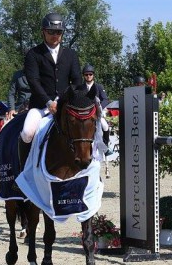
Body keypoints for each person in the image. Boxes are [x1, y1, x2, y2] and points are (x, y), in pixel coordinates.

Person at [20, 12, 83, 167]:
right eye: (51, 32)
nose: (55, 35)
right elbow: (34, 82)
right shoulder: (33, 54)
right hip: (41, 106)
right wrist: (48, 102)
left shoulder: (71, 54)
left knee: (85, 128)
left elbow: (76, 80)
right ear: (43, 32)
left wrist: (63, 100)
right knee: (27, 132)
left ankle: (88, 165)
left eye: (59, 32)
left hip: (65, 105)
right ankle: (23, 169)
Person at [82, 63, 111, 150]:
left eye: (90, 74)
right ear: (84, 76)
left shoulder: (99, 87)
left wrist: (100, 108)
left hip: (96, 112)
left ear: (93, 75)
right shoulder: (81, 87)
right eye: (86, 74)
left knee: (105, 126)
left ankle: (106, 145)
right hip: (85, 113)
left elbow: (105, 99)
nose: (88, 76)